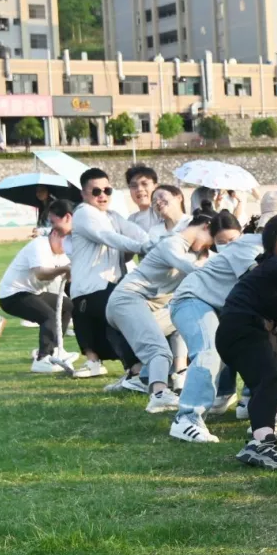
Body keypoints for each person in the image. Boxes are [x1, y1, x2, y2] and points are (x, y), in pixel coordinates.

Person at [106, 212, 233, 414]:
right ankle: (158, 393)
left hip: (149, 307)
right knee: (158, 350)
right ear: (205, 227)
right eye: (213, 241)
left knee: (180, 320)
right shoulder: (172, 243)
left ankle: (177, 375)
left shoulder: (192, 253)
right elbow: (190, 268)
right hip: (127, 299)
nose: (210, 247)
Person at [217, 212, 277, 470]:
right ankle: (262, 442)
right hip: (241, 327)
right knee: (268, 379)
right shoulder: (274, 265)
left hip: (263, 329)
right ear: (276, 241)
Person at [167, 212, 252, 443]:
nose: (228, 246)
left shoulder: (251, 247)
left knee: (251, 342)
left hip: (216, 306)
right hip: (192, 300)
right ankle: (186, 418)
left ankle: (244, 397)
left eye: (232, 241)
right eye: (221, 243)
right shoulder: (246, 251)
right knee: (209, 350)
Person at [68, 168, 151, 381]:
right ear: (83, 194)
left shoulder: (113, 216)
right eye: (96, 191)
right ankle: (136, 371)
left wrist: (154, 243)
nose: (102, 195)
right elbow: (109, 238)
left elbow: (136, 233)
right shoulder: (84, 213)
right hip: (91, 287)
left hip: (110, 283)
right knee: (122, 320)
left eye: (107, 190)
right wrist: (145, 247)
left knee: (126, 320)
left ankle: (135, 370)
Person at [0, 199, 75, 373]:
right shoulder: (40, 245)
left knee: (67, 306)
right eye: (65, 241)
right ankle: (42, 359)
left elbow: (69, 280)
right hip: (12, 295)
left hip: (33, 292)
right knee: (49, 316)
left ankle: (54, 350)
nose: (67, 247)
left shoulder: (61, 253)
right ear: (55, 234)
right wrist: (64, 269)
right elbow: (40, 273)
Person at [125, 166, 160, 233]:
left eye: (144, 184)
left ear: (156, 187)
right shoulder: (131, 220)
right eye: (134, 186)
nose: (139, 189)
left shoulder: (163, 214)